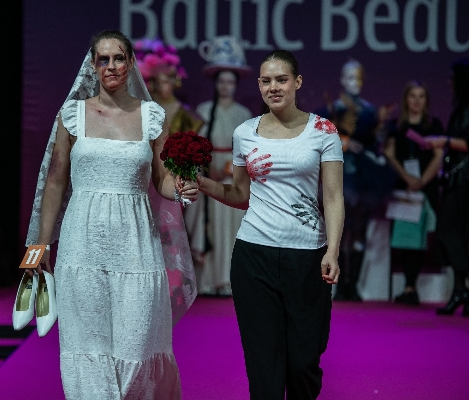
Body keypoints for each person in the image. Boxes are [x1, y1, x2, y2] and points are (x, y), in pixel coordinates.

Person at [24, 30, 199, 399]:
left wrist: (181, 189)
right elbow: (54, 182)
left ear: (131, 63)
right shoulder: (72, 115)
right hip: (81, 246)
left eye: (118, 58)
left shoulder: (152, 116)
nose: (111, 66)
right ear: (93, 65)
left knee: (137, 344)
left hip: (137, 245)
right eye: (103, 59)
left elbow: (162, 180)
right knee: (87, 346)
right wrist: (39, 248)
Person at [186, 50, 344, 399]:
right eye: (266, 81)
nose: (274, 87)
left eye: (281, 79)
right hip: (254, 255)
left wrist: (332, 250)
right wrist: (201, 183)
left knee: (303, 362)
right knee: (263, 365)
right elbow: (240, 194)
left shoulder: (323, 131)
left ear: (297, 82)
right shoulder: (246, 132)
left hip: (307, 256)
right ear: (259, 85)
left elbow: (333, 197)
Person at [317, 59, 393, 301]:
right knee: (339, 230)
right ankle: (340, 285)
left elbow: (374, 143)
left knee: (359, 228)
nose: (354, 82)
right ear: (342, 80)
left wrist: (380, 134)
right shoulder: (331, 110)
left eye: (358, 77)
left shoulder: (370, 112)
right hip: (339, 176)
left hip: (364, 179)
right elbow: (318, 140)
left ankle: (353, 284)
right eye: (350, 77)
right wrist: (344, 143)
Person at [191, 37, 252, 296]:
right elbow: (196, 148)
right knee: (211, 227)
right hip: (208, 178)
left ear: (235, 85)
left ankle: (228, 280)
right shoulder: (204, 110)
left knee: (232, 229)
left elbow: (248, 152)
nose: (225, 86)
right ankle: (207, 280)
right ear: (215, 84)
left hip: (233, 181)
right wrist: (208, 172)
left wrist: (231, 171)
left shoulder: (244, 114)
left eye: (230, 82)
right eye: (221, 82)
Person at [383, 80, 444, 305]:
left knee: (422, 237)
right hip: (404, 190)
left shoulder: (434, 126)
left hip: (426, 189)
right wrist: (408, 178)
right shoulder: (396, 126)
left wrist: (422, 181)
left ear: (426, 101)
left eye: (421, 96)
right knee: (404, 238)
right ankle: (408, 287)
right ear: (406, 99)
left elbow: (439, 156)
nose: (417, 101)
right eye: (412, 96)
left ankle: (412, 286)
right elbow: (390, 155)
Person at [425, 58, 469, 316]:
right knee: (452, 234)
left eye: (453, 78)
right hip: (457, 180)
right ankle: (460, 289)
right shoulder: (461, 107)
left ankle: (461, 290)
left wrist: (444, 141)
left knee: (451, 232)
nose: (449, 82)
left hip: (464, 181)